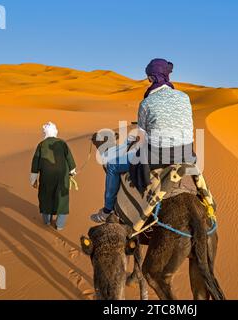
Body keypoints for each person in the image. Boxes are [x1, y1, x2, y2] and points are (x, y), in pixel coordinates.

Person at [91, 58, 195, 223]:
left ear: (152, 78)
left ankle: (107, 210)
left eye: (148, 77)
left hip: (158, 156)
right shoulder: (184, 97)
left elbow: (142, 135)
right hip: (187, 153)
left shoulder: (147, 102)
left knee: (112, 166)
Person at [31, 122, 77, 230]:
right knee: (62, 199)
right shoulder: (62, 143)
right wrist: (72, 171)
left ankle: (47, 222)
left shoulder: (41, 145)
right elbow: (70, 159)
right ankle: (60, 225)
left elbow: (35, 162)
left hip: (46, 177)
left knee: (46, 197)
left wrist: (33, 179)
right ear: (55, 131)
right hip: (62, 177)